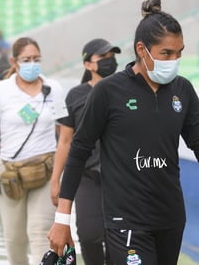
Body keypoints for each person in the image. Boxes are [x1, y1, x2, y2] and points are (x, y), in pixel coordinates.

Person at [48, 0, 199, 265]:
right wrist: (62, 218)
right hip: (125, 220)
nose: (174, 60)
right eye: (166, 53)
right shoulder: (108, 91)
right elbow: (79, 151)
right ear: (142, 49)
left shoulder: (183, 90)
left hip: (170, 218)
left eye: (179, 52)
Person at [0, 37, 67, 265]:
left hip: (45, 169)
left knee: (40, 232)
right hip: (10, 173)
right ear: (14, 61)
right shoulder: (1, 90)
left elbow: (65, 134)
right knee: (15, 239)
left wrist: (58, 176)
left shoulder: (53, 88)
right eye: (26, 59)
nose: (32, 63)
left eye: (36, 59)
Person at [51, 38, 121, 265]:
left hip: (120, 177)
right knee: (88, 234)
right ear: (88, 64)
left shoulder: (125, 90)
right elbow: (65, 141)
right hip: (87, 176)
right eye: (103, 57)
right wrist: (56, 180)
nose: (110, 61)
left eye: (112, 57)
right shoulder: (74, 96)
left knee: (117, 236)